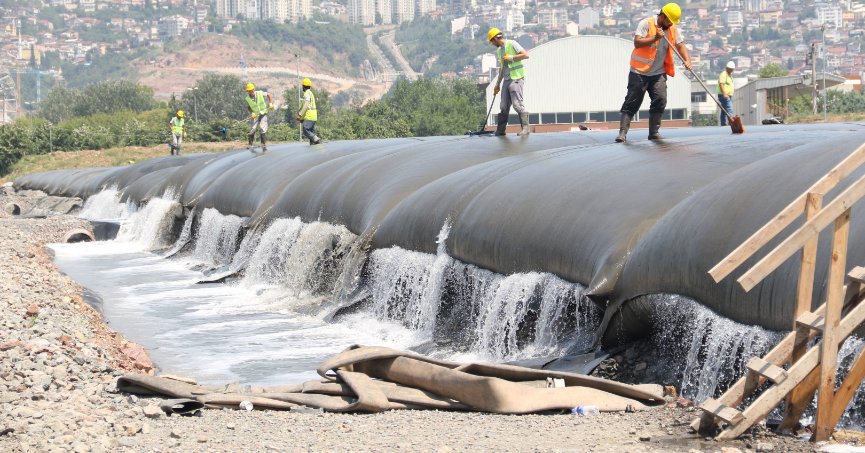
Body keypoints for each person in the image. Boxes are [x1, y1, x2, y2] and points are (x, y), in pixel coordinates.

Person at [615, 2, 691, 142]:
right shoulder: (646, 24)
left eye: (672, 22)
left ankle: (654, 132)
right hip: (639, 72)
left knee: (660, 99)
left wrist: (687, 60)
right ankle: (622, 133)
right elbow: (637, 42)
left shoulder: (673, 29)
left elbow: (680, 45)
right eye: (669, 21)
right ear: (662, 16)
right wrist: (655, 37)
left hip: (658, 73)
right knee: (632, 101)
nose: (670, 24)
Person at [489, 27, 530, 137]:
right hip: (507, 80)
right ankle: (501, 130)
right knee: (503, 105)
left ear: (495, 39)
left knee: (517, 104)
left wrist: (511, 57)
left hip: (516, 78)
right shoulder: (499, 51)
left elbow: (526, 55)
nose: (492, 44)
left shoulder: (512, 44)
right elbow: (502, 68)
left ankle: (525, 128)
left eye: (492, 42)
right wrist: (497, 85)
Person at [244, 82, 274, 152]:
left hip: (263, 113)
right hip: (256, 115)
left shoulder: (260, 93)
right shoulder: (247, 98)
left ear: (253, 89)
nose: (250, 92)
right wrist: (252, 113)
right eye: (248, 91)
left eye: (251, 90)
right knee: (253, 129)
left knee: (262, 128)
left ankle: (263, 144)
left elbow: (269, 95)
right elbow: (249, 107)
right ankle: (250, 144)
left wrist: (270, 104)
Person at [296, 78, 321, 145]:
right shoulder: (311, 93)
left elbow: (306, 105)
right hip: (314, 116)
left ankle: (315, 138)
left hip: (309, 116)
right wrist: (302, 118)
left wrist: (300, 115)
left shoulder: (307, 94)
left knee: (305, 130)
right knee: (311, 132)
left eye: (302, 86)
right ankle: (314, 143)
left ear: (304, 86)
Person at [718, 61, 735, 126]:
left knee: (724, 110)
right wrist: (724, 93)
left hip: (728, 95)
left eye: (732, 69)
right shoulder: (724, 74)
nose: (731, 70)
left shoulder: (729, 75)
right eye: (730, 69)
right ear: (727, 68)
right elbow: (721, 84)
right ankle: (731, 123)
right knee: (729, 108)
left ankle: (723, 123)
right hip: (724, 95)